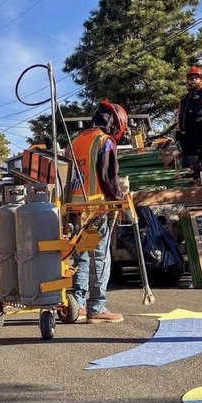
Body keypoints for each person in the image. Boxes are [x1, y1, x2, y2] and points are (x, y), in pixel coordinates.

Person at [68, 99, 129, 323]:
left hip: (74, 209)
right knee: (100, 258)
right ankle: (97, 308)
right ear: (116, 123)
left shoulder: (76, 142)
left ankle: (78, 305)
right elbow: (108, 178)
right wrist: (120, 198)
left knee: (80, 257)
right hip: (96, 209)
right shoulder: (104, 142)